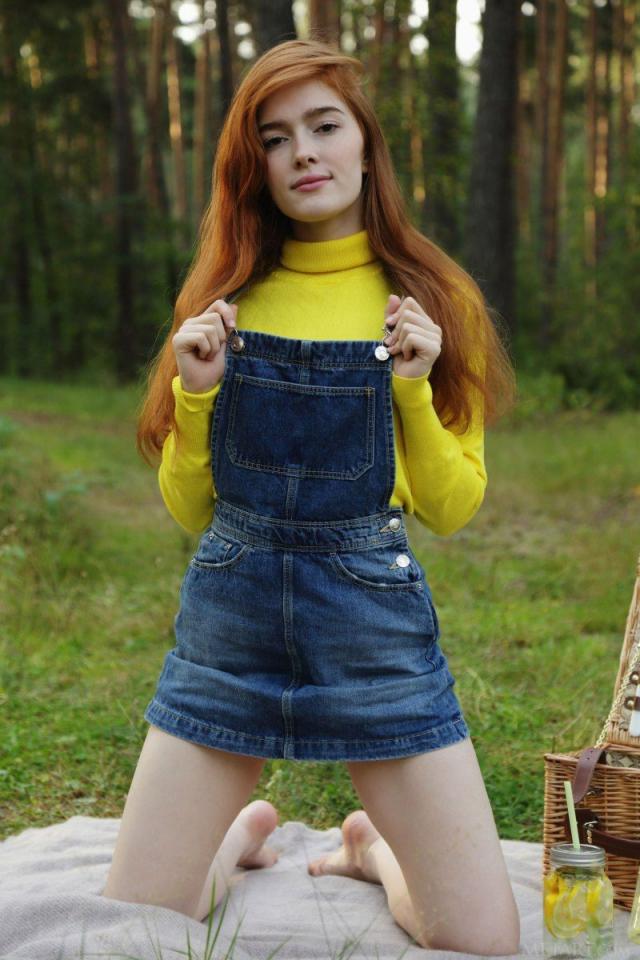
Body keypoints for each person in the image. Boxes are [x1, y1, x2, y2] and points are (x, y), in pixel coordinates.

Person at [101, 38, 519, 954]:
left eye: (324, 126)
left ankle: (370, 849)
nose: (304, 153)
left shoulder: (433, 297)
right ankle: (240, 836)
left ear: (366, 143)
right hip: (231, 623)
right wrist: (196, 393)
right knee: (134, 926)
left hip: (371, 629)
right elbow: (188, 509)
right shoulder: (226, 298)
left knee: (481, 940)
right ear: (255, 166)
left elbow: (452, 507)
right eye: (276, 138)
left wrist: (413, 387)